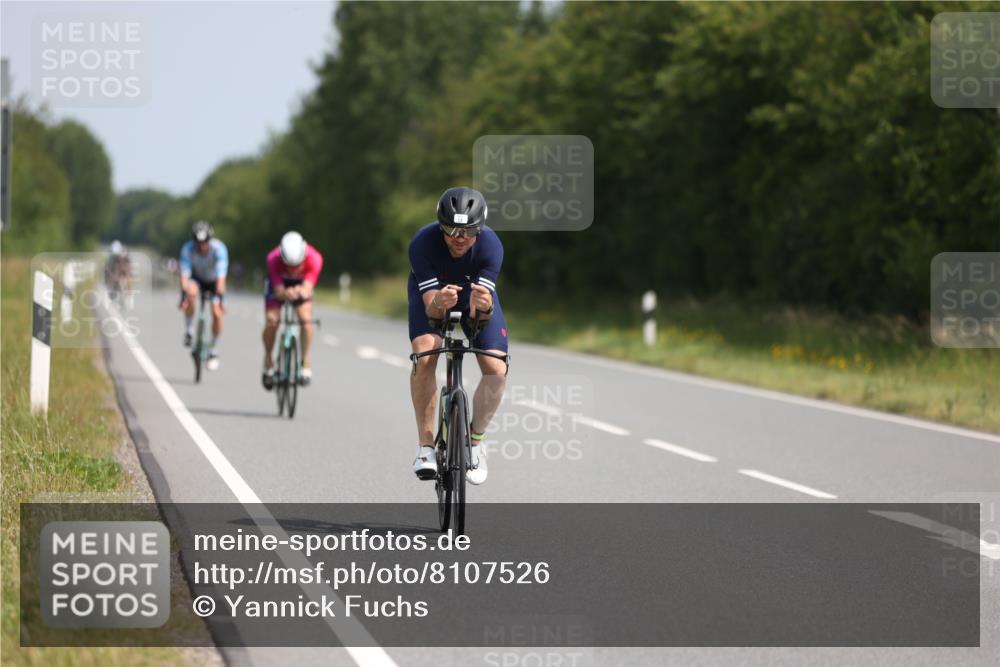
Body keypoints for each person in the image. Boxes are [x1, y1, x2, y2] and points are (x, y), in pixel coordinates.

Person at [408, 187, 508, 485]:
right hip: (434, 299)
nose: (459, 238)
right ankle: (426, 448)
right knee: (425, 354)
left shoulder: (492, 246)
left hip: (475, 300)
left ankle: (475, 443)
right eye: (451, 229)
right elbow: (431, 311)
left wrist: (483, 308)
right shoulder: (422, 243)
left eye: (468, 231)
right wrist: (439, 302)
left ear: (480, 229)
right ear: (440, 226)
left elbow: (483, 315)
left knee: (496, 368)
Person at [261, 231, 324, 389]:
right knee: (272, 321)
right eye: (288, 265)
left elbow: (307, 287)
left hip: (302, 285)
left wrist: (301, 291)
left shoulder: (315, 258)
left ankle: (305, 362)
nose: (292, 269)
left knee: (305, 320)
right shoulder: (272, 259)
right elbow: (278, 290)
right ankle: (268, 359)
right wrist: (284, 293)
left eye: (296, 266)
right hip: (279, 284)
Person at [178, 221, 228, 370]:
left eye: (204, 242)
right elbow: (184, 275)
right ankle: (189, 331)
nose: (201, 246)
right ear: (193, 241)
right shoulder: (187, 249)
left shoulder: (219, 249)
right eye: (198, 242)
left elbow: (221, 279)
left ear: (209, 240)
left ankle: (213, 348)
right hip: (197, 279)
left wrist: (220, 299)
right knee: (190, 292)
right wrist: (183, 297)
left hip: (214, 281)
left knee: (217, 313)